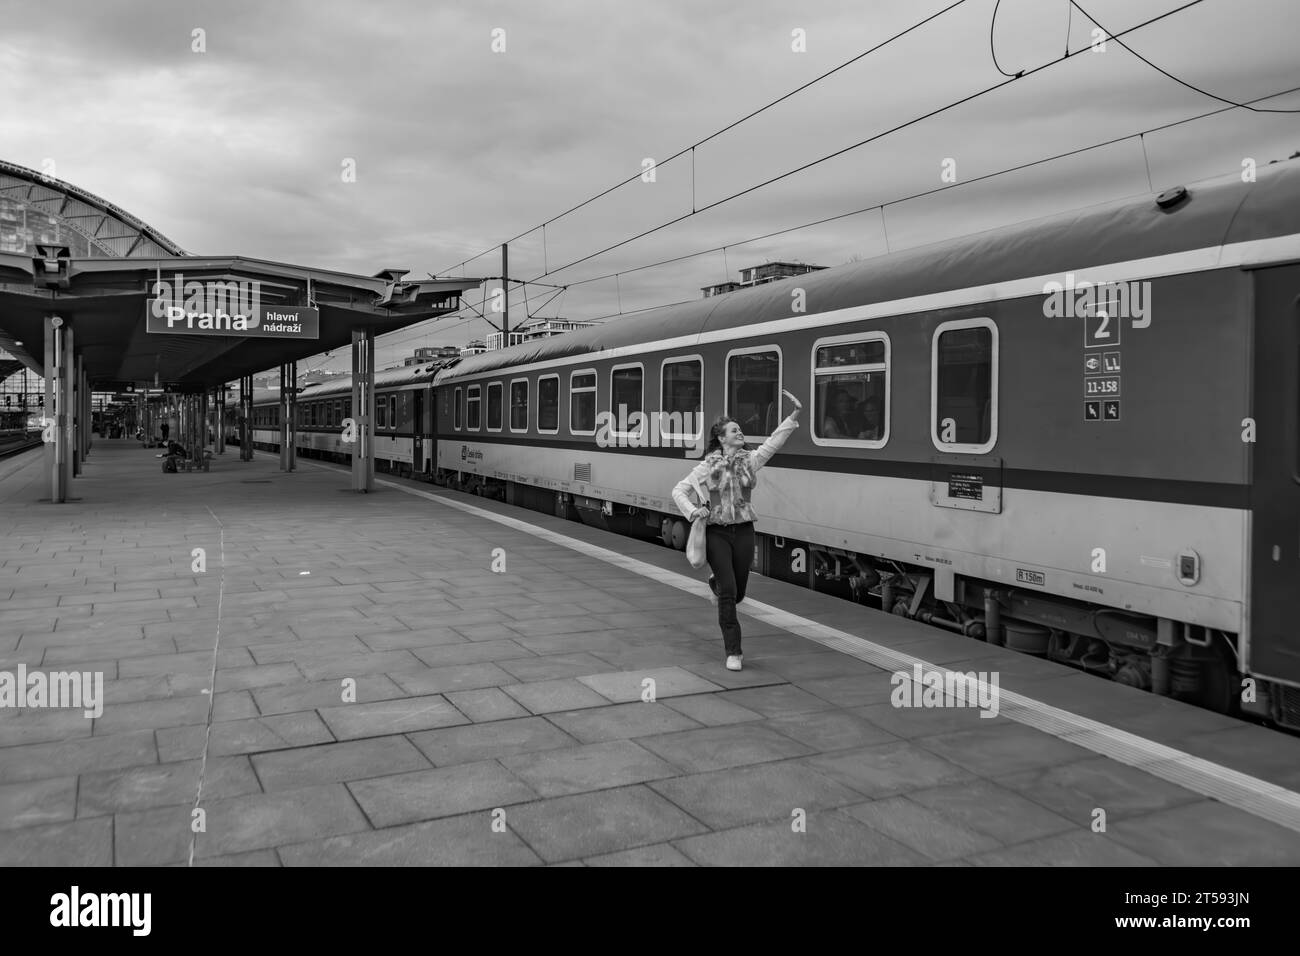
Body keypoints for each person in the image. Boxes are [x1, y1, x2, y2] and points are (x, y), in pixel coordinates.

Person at [672, 388, 801, 671]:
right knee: (730, 592)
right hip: (717, 533)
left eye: (740, 430)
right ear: (721, 438)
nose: (740, 433)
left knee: (739, 591)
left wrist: (793, 417)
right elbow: (678, 491)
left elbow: (772, 445)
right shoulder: (707, 467)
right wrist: (694, 511)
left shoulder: (749, 461)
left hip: (744, 531)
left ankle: (716, 584)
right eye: (734, 430)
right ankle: (734, 651)